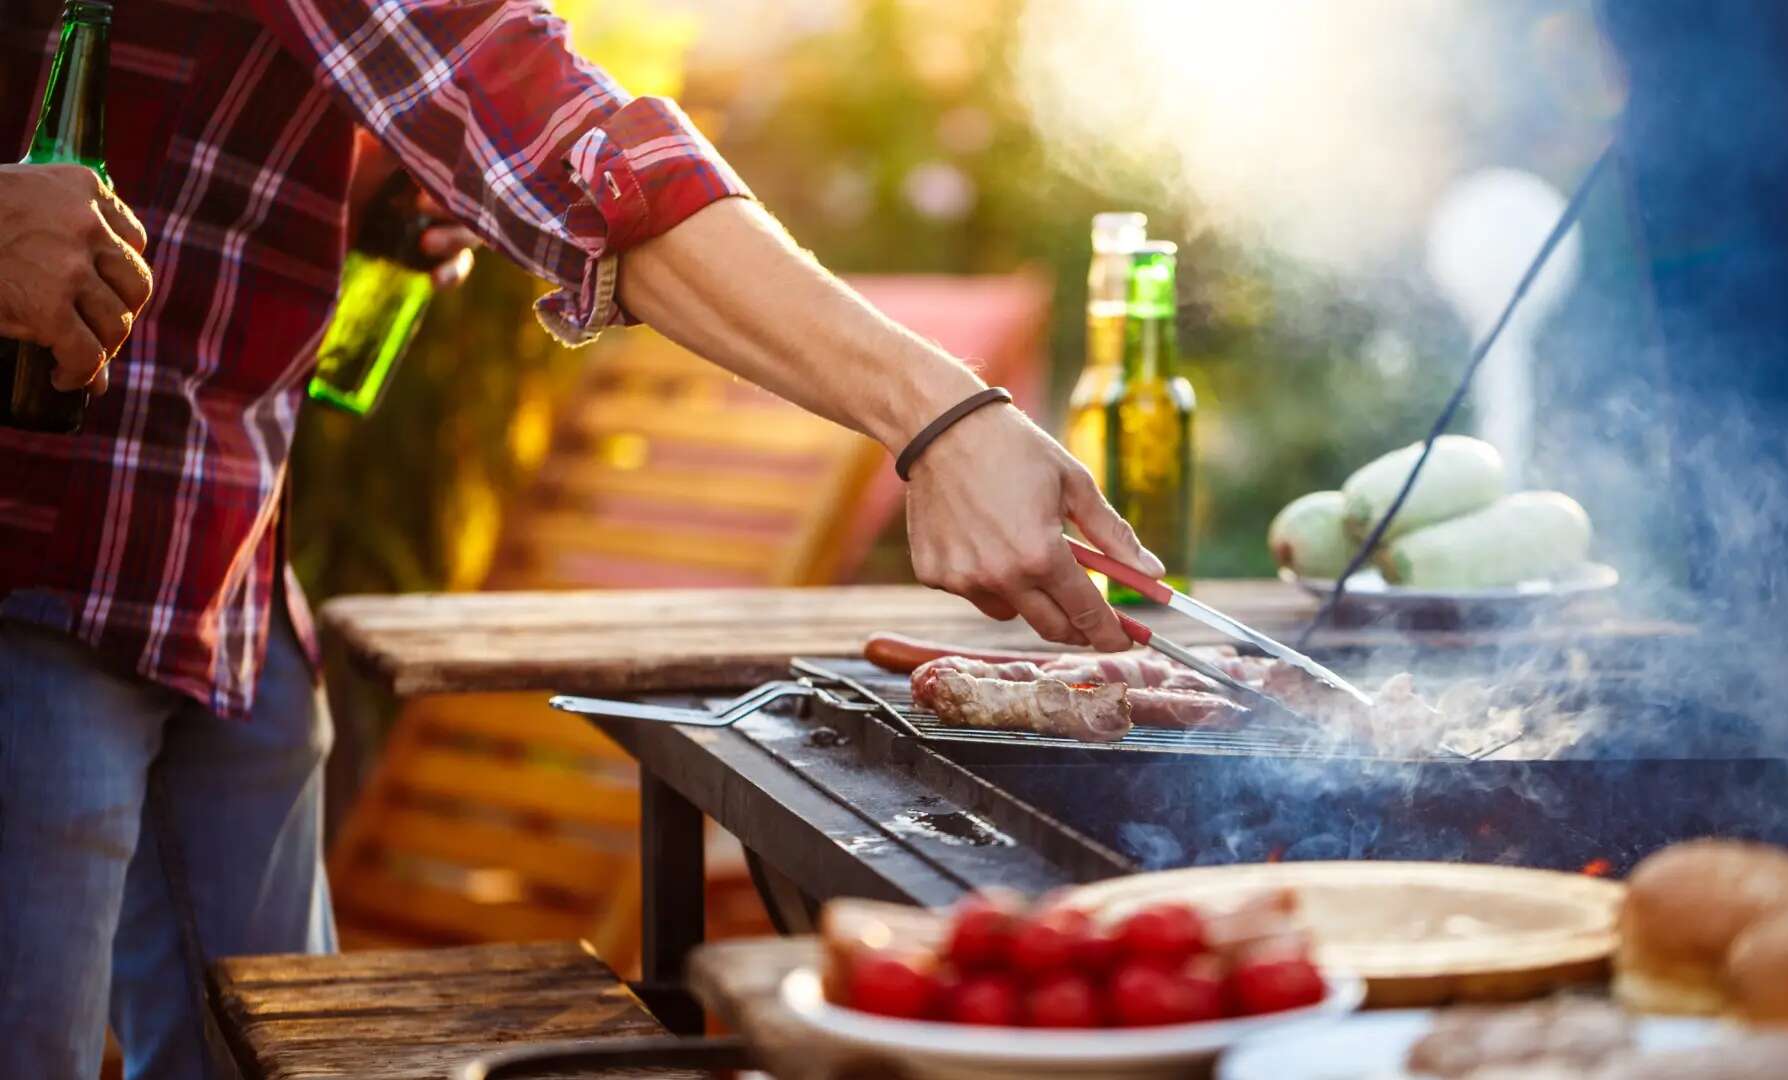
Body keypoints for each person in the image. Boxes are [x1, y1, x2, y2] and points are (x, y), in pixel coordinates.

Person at [0, 3, 1162, 1077]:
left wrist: (363, 185)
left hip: (219, 547)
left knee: (287, 1049)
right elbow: (536, 112)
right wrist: (940, 415)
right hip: (37, 545)